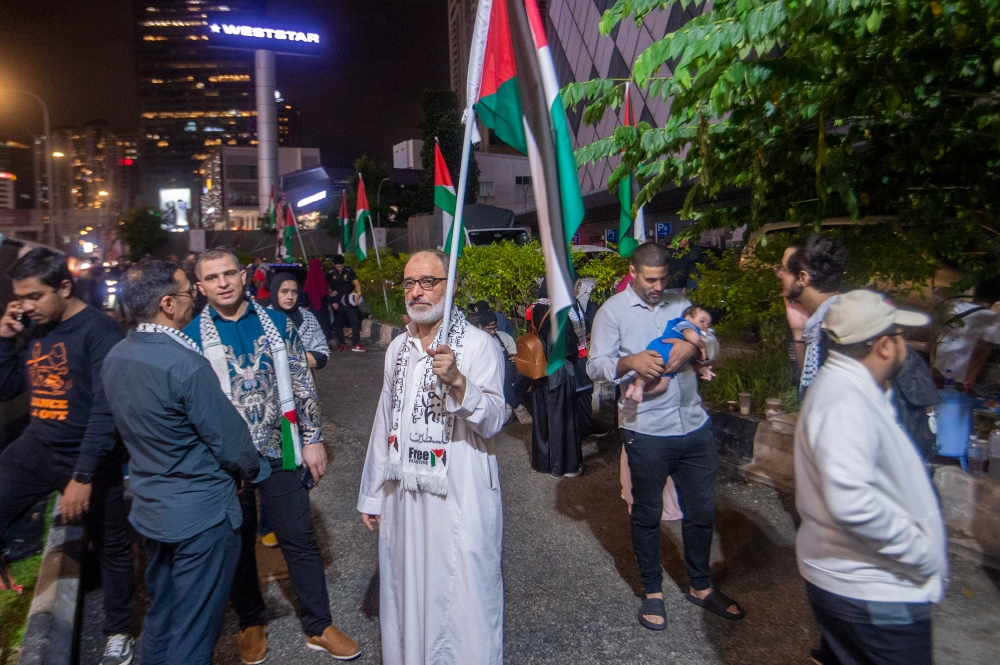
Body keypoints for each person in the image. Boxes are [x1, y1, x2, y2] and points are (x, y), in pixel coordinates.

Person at [184, 249, 360, 663]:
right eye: (213, 278)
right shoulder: (191, 337)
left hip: (281, 444)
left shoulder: (278, 322)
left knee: (298, 537)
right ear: (201, 286)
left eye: (230, 273)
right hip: (226, 458)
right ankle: (251, 620)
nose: (223, 282)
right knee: (238, 541)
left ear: (245, 276)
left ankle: (319, 625)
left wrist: (313, 438)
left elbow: (302, 382)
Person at [103, 260, 271, 665]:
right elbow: (231, 442)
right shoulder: (184, 364)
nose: (193, 296)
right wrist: (253, 471)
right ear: (167, 305)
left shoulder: (117, 355)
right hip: (201, 517)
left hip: (151, 510)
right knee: (195, 630)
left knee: (163, 614)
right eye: (187, 291)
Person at [358, 250, 506, 665]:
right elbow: (385, 422)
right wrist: (373, 494)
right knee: (409, 589)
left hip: (460, 493)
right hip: (405, 493)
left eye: (428, 282)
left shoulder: (479, 346)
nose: (417, 292)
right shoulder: (399, 349)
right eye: (409, 283)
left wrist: (459, 382)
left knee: (461, 596)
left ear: (451, 285)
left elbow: (495, 418)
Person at [588, 242, 742, 630]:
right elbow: (594, 366)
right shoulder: (612, 312)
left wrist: (699, 345)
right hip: (646, 429)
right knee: (647, 513)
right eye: (650, 279)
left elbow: (714, 341)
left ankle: (701, 586)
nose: (658, 287)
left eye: (663, 279)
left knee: (702, 511)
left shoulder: (680, 303)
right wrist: (630, 361)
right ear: (633, 271)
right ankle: (652, 592)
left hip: (694, 425)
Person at [0, 248, 136, 665]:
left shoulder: (99, 330)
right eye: (19, 297)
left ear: (64, 286)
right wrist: (6, 341)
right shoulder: (32, 329)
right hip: (39, 445)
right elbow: (7, 390)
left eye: (34, 296)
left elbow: (105, 407)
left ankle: (118, 631)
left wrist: (83, 474)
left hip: (90, 453)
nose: (25, 306)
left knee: (112, 545)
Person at [796, 290, 947, 665]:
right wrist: (920, 552)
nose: (904, 346)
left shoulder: (849, 389)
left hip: (859, 583)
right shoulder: (845, 402)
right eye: (899, 337)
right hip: (875, 590)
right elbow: (852, 503)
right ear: (882, 345)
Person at [777, 235, 848, 398]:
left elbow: (826, 396)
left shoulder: (838, 326)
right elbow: (813, 383)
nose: (779, 274)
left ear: (802, 278)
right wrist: (798, 332)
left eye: (783, 269)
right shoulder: (820, 322)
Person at [529, 281, 584, 477]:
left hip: (540, 371)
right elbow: (569, 347)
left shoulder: (537, 308)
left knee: (544, 419)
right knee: (563, 418)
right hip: (559, 373)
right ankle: (563, 466)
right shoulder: (560, 312)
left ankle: (544, 463)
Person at [625, 306, 714, 402]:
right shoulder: (685, 324)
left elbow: (691, 360)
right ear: (688, 318)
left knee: (662, 386)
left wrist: (702, 369)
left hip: (672, 363)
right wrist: (702, 346)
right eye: (702, 321)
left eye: (708, 325)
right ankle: (639, 384)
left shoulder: (698, 334)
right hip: (664, 349)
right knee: (652, 368)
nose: (705, 326)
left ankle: (637, 388)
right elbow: (691, 336)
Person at [933, 278, 1000, 390]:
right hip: (958, 373)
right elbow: (982, 351)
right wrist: (969, 382)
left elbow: (939, 291)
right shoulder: (991, 318)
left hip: (938, 364)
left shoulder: (955, 304)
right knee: (951, 400)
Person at [476, 308, 532, 425]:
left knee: (527, 373)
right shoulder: (476, 342)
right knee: (502, 376)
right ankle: (518, 408)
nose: (493, 332)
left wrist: (516, 357)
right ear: (480, 327)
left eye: (494, 328)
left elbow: (514, 352)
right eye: (489, 329)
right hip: (488, 373)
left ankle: (510, 404)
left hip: (508, 367)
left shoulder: (503, 337)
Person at [269, 272, 331, 369]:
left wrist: (286, 361)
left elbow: (322, 354)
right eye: (284, 291)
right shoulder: (264, 318)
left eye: (294, 292)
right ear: (274, 292)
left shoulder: (307, 318)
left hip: (302, 382)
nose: (290, 297)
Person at [326, 254, 364, 352]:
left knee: (355, 321)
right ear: (334, 265)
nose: (340, 268)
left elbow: (356, 282)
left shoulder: (348, 271)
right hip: (337, 301)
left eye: (341, 266)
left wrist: (358, 293)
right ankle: (341, 343)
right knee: (339, 323)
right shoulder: (330, 273)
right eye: (338, 266)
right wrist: (330, 293)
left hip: (348, 300)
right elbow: (325, 285)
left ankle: (356, 343)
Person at [303, 257, 334, 341]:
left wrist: (306, 304)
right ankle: (325, 340)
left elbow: (306, 291)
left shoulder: (309, 276)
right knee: (324, 323)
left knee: (314, 322)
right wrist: (330, 302)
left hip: (312, 304)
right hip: (322, 304)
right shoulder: (321, 275)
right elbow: (324, 291)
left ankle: (314, 340)